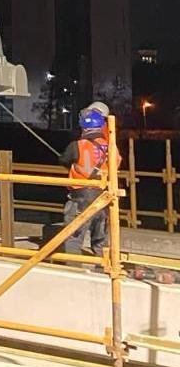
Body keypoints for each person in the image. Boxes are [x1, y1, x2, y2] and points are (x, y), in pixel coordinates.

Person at [59, 106, 115, 257]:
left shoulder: (77, 145)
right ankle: (104, 269)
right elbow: (116, 164)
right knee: (100, 240)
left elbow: (64, 160)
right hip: (103, 199)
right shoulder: (110, 147)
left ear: (83, 127)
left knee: (73, 238)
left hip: (80, 198)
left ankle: (74, 270)